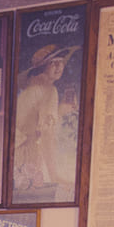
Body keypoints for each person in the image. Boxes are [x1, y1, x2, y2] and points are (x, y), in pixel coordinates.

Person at [13, 44, 75, 191]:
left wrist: (58, 112)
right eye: (53, 63)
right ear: (43, 67)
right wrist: (54, 177)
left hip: (17, 158)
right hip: (29, 157)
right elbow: (46, 134)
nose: (59, 67)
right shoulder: (49, 91)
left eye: (61, 62)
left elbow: (34, 123)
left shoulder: (30, 89)